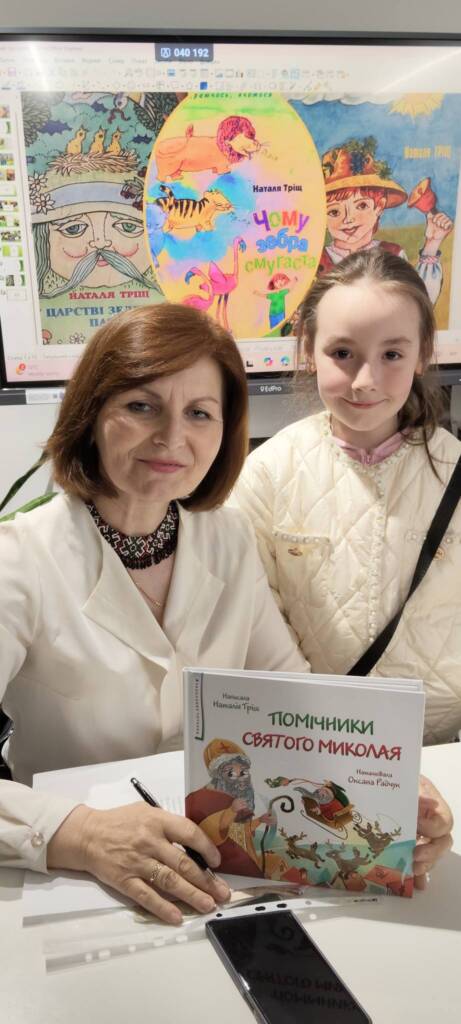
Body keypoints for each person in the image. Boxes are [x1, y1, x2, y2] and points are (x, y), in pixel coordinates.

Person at [0, 303, 310, 925]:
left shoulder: (228, 538)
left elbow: (293, 697)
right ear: (90, 416)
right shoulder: (21, 557)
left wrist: (382, 787)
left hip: (221, 865)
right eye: (142, 406)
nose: (172, 437)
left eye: (200, 413)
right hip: (72, 885)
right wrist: (81, 833)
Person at [232, 249, 459, 882]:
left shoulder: (454, 472)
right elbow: (251, 632)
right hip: (307, 761)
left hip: (445, 757)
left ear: (423, 353)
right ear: (308, 349)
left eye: (392, 354)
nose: (365, 381)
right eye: (342, 353)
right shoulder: (266, 475)